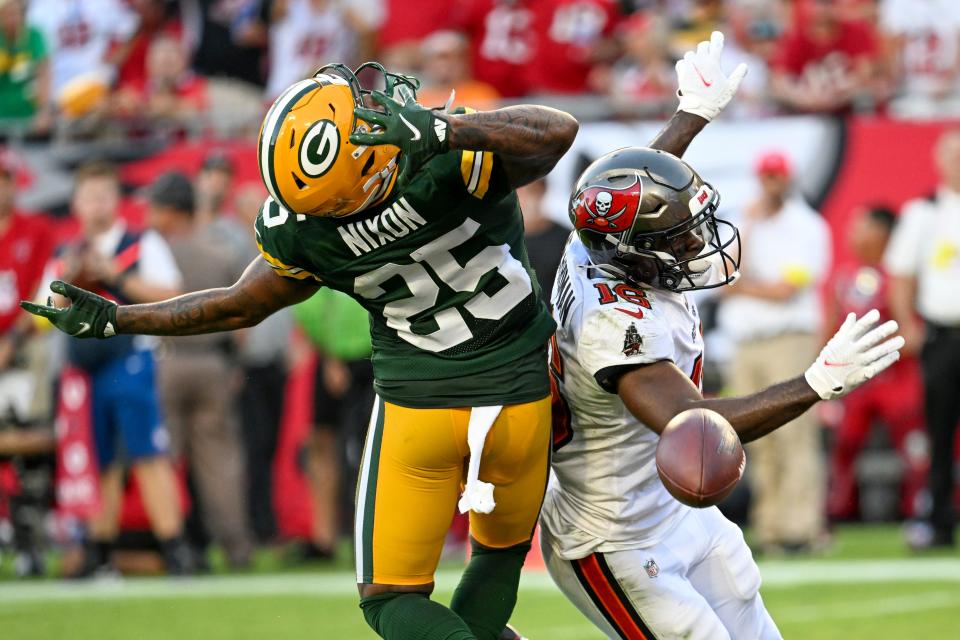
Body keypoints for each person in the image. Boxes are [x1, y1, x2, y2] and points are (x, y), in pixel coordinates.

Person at [22, 34, 736, 637]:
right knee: (494, 561)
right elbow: (556, 134)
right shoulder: (444, 160)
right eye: (362, 108)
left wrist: (124, 316)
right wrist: (440, 129)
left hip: (419, 411)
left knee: (391, 602)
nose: (377, 99)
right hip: (520, 401)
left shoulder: (303, 227)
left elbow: (239, 305)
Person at [540, 120, 902, 640]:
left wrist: (689, 118)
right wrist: (816, 382)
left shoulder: (592, 244)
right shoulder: (614, 325)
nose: (695, 240)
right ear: (632, 250)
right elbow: (694, 424)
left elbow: (626, 189)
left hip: (672, 509)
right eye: (678, 234)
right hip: (615, 534)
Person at [36, 161, 193, 577]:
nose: (96, 206)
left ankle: (174, 546)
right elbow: (42, 315)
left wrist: (115, 275)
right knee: (98, 459)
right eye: (89, 197)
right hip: (85, 367)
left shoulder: (140, 243)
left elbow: (169, 295)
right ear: (76, 204)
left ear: (116, 201)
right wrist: (67, 286)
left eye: (104, 196)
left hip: (130, 359)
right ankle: (97, 549)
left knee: (148, 453)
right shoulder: (65, 252)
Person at [718, 150, 831, 554]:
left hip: (788, 338)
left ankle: (802, 526)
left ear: (788, 179)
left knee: (794, 433)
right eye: (764, 177)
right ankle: (770, 526)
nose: (769, 185)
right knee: (756, 435)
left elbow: (787, 290)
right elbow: (726, 273)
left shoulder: (806, 226)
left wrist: (743, 288)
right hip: (747, 341)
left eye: (775, 178)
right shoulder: (745, 221)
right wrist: (749, 225)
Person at [146, 172, 253, 569]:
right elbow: (243, 323)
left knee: (161, 461)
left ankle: (174, 548)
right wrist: (233, 367)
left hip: (166, 361)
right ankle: (236, 549)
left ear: (171, 211)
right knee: (220, 463)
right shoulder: (221, 253)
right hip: (212, 362)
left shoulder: (154, 255)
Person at [885, 128, 960, 550]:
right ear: (940, 162)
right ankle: (939, 521)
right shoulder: (924, 212)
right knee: (940, 430)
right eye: (953, 156)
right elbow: (901, 273)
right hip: (944, 332)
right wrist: (908, 325)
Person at [825, 205, 925, 521]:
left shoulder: (902, 277)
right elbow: (830, 332)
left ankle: (921, 506)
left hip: (896, 376)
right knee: (845, 443)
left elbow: (914, 333)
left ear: (882, 233)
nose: (852, 233)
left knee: (914, 443)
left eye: (860, 226)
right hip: (856, 379)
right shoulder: (844, 278)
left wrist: (880, 352)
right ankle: (840, 510)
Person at [292, 287, 374, 561]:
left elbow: (308, 305)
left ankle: (337, 536)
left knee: (354, 449)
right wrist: (330, 352)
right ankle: (329, 536)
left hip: (358, 354)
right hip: (362, 354)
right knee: (330, 445)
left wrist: (328, 352)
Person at [0, 0, 52, 133]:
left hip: (28, 115)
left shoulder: (34, 36)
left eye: (15, 13)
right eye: (7, 14)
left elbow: (44, 74)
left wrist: (44, 111)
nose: (12, 19)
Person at [516, 178, 568, 304]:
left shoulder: (567, 238)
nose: (523, 198)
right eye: (517, 193)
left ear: (542, 190)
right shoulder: (501, 241)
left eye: (529, 191)